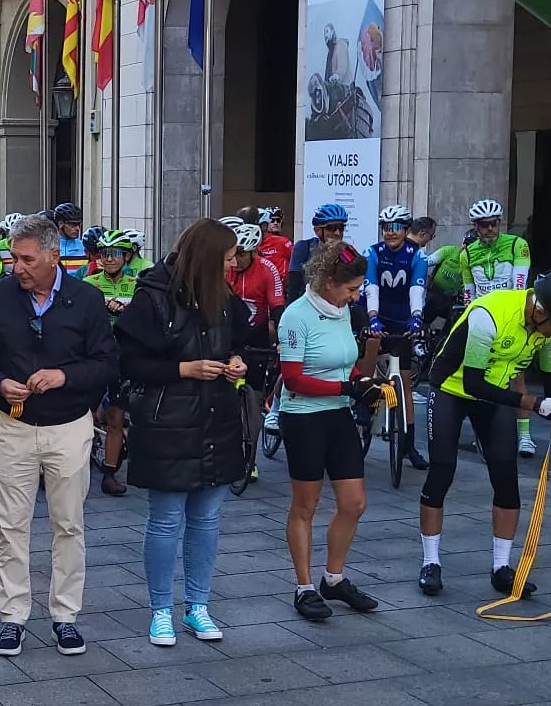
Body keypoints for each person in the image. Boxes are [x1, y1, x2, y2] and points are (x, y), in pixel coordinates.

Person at [0, 214, 119, 657]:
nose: (16, 266)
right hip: (14, 426)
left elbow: (108, 364)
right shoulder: (0, 297)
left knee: (69, 524)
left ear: (53, 257)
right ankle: (13, 616)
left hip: (69, 427)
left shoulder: (87, 300)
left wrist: (63, 376)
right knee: (10, 526)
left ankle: (65, 616)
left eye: (26, 259)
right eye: (13, 258)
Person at [114, 219, 258, 645]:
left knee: (206, 519)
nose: (233, 265)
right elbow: (127, 364)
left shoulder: (225, 299)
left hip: (216, 416)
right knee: (166, 519)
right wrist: (184, 369)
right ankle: (161, 608)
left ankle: (198, 606)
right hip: (167, 421)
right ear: (209, 259)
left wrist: (237, 359)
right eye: (228, 258)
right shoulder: (153, 296)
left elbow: (245, 341)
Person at [417, 270, 551, 598]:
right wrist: (529, 401)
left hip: (495, 394)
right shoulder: (490, 314)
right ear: (540, 311)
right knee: (442, 470)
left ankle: (501, 568)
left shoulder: (548, 330)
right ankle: (430, 562)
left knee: (506, 476)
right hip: (453, 390)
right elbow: (473, 383)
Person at [278, 245, 384, 621]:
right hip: (304, 416)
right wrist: (345, 389)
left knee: (354, 503)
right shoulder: (297, 316)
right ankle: (304, 587)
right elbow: (294, 379)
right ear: (326, 282)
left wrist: (362, 379)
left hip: (337, 414)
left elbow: (343, 364)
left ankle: (333, 579)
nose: (355, 297)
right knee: (305, 506)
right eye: (351, 289)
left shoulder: (341, 311)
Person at [460, 199, 537, 456]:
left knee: (517, 378)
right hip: (483, 324)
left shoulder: (517, 245)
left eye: (494, 223)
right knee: (479, 379)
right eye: (484, 225)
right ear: (476, 226)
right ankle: (484, 432)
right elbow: (469, 295)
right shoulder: (467, 254)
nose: (490, 229)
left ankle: (524, 436)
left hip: (510, 321)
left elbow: (519, 287)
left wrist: (513, 323)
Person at [364, 205, 430, 470]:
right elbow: (371, 286)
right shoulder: (373, 252)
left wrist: (416, 316)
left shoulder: (418, 256)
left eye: (396, 227)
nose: (390, 233)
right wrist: (372, 317)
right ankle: (363, 405)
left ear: (406, 230)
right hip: (377, 313)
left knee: (404, 383)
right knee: (370, 348)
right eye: (386, 228)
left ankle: (408, 445)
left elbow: (417, 288)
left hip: (404, 317)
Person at [85, 230, 142, 497]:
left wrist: (128, 311)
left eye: (115, 254)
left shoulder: (136, 283)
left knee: (117, 417)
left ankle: (109, 474)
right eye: (104, 254)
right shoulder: (90, 281)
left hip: (123, 357)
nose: (108, 259)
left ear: (127, 256)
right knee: (85, 411)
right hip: (93, 356)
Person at [49, 202, 92, 276]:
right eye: (73, 224)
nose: (77, 228)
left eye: (79, 224)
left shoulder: (85, 246)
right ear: (60, 224)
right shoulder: (49, 246)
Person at [256, 206, 294, 283]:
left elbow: (296, 263)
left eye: (278, 220)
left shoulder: (284, 242)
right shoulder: (256, 242)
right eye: (272, 220)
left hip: (282, 286)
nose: (275, 223)